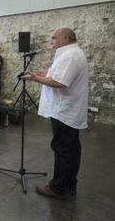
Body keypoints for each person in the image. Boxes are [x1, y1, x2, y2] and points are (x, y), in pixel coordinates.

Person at [22, 27, 88, 199]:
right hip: (66, 110)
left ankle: (58, 188)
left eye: (54, 37)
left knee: (63, 149)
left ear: (66, 38)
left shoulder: (71, 55)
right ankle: (69, 186)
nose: (51, 41)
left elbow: (60, 82)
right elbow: (58, 75)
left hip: (64, 111)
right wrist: (44, 74)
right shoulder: (69, 53)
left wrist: (36, 79)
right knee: (71, 149)